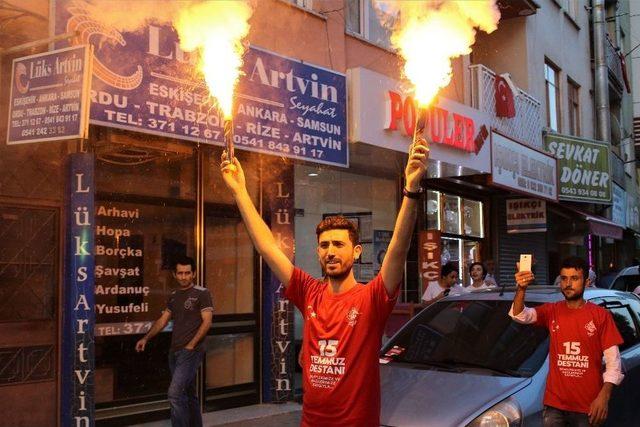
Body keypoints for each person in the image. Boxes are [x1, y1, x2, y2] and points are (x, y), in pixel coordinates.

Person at [220, 137, 428, 426]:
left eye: (339, 245)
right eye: (325, 245)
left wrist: (412, 190)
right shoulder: (309, 293)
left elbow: (398, 248)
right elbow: (267, 246)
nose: (331, 251)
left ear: (356, 252)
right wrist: (240, 192)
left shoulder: (371, 299)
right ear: (318, 252)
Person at [510, 256, 624, 427]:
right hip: (555, 405)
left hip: (588, 406)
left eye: (574, 278)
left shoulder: (601, 315)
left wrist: (603, 397)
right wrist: (521, 288)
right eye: (564, 278)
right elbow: (519, 315)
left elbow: (614, 363)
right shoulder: (552, 310)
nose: (568, 283)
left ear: (586, 282)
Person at [135, 256, 213, 427]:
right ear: (175, 275)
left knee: (175, 394)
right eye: (180, 273)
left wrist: (191, 345)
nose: (184, 276)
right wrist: (146, 338)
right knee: (188, 392)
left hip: (191, 351)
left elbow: (207, 322)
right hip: (174, 352)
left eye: (187, 273)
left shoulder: (202, 293)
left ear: (193, 273)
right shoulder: (174, 295)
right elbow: (163, 320)